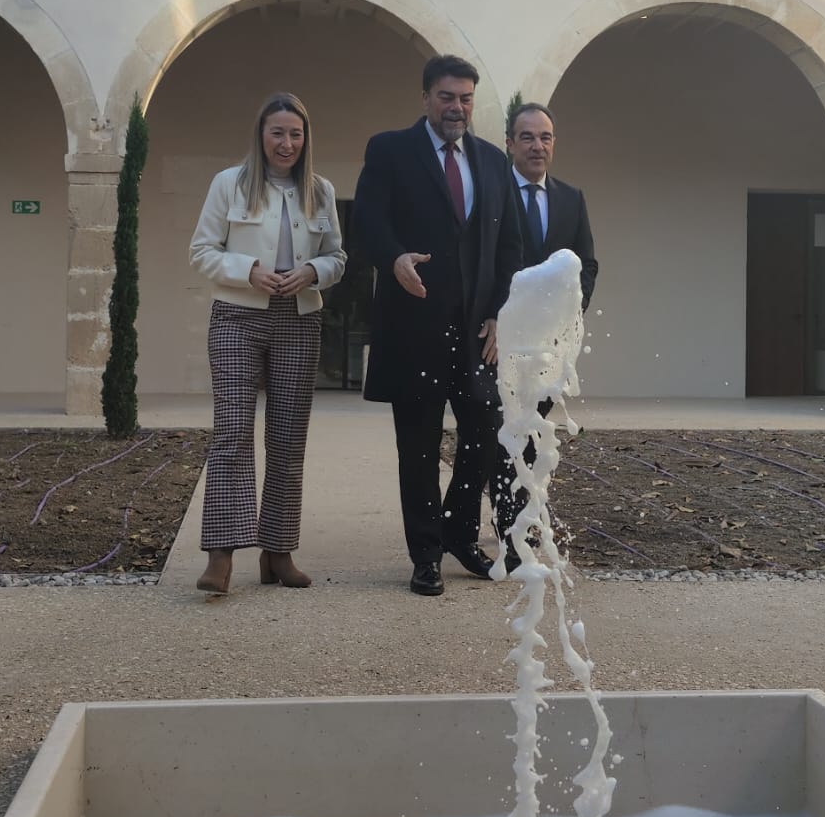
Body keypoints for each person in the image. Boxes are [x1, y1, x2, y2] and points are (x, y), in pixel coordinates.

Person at [353, 54, 524, 596]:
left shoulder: (495, 162)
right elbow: (367, 222)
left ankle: (457, 529)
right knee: (420, 448)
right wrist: (394, 258)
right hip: (414, 326)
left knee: (484, 435)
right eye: (447, 97)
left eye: (466, 98)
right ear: (426, 98)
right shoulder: (390, 150)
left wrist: (501, 311)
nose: (457, 108)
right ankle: (426, 554)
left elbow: (511, 247)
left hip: (477, 333)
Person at [188, 93, 347, 594]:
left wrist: (312, 272)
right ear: (261, 135)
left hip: (298, 319)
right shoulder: (228, 184)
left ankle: (278, 552)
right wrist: (249, 271)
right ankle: (221, 554)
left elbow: (338, 257)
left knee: (286, 438)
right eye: (278, 132)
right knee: (232, 431)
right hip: (238, 314)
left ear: (306, 139)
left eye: (296, 134)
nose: (287, 143)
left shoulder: (320, 191)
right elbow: (202, 251)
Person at [488, 101, 598, 571]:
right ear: (510, 144)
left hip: (549, 348)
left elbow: (586, 265)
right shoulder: (494, 195)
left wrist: (566, 317)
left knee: (533, 438)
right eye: (527, 137)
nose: (537, 145)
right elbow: (485, 263)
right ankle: (506, 541)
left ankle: (521, 535)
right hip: (500, 343)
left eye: (545, 137)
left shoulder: (572, 198)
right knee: (499, 436)